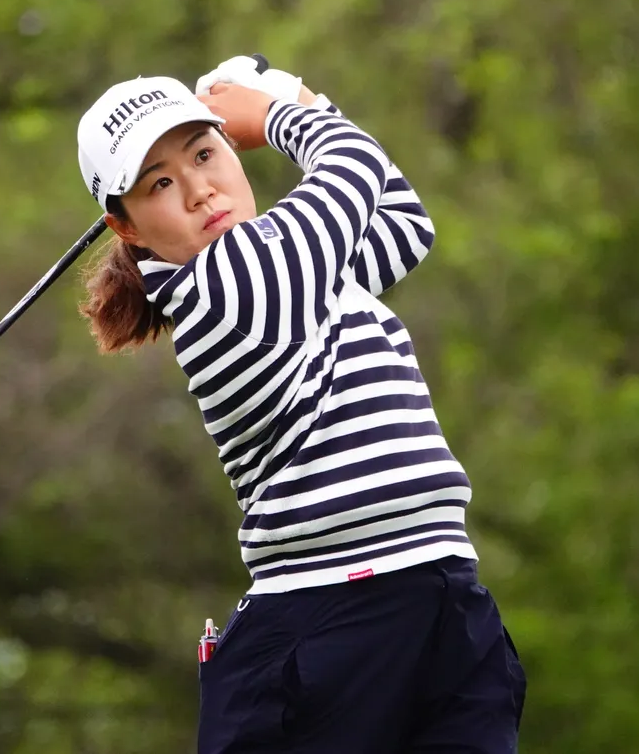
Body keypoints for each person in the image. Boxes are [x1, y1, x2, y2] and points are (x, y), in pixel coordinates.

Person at [73, 56, 526, 753]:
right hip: (327, 630)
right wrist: (282, 109)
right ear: (127, 227)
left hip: (439, 600)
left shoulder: (300, 274)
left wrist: (299, 100)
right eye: (160, 183)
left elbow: (405, 223)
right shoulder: (227, 287)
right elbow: (354, 167)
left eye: (204, 153)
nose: (198, 190)